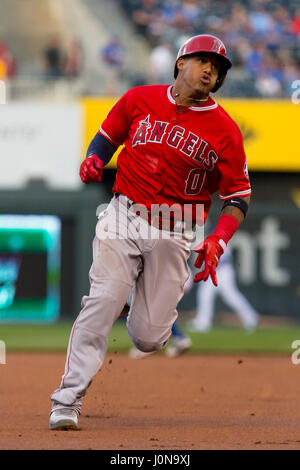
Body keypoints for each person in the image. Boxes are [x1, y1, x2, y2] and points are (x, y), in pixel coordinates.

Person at [49, 34, 251, 430]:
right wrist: (94, 158)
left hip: (177, 229)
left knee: (148, 338)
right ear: (180, 63)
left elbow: (238, 196)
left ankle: (132, 304)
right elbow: (107, 137)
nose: (210, 69)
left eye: (218, 67)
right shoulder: (139, 98)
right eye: (203, 61)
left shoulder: (226, 130)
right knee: (102, 299)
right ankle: (67, 400)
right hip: (125, 214)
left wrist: (219, 237)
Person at [190, 243, 259, 333]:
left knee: (231, 296)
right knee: (204, 294)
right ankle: (203, 322)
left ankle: (250, 317)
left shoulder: (220, 239)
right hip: (215, 270)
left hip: (223, 270)